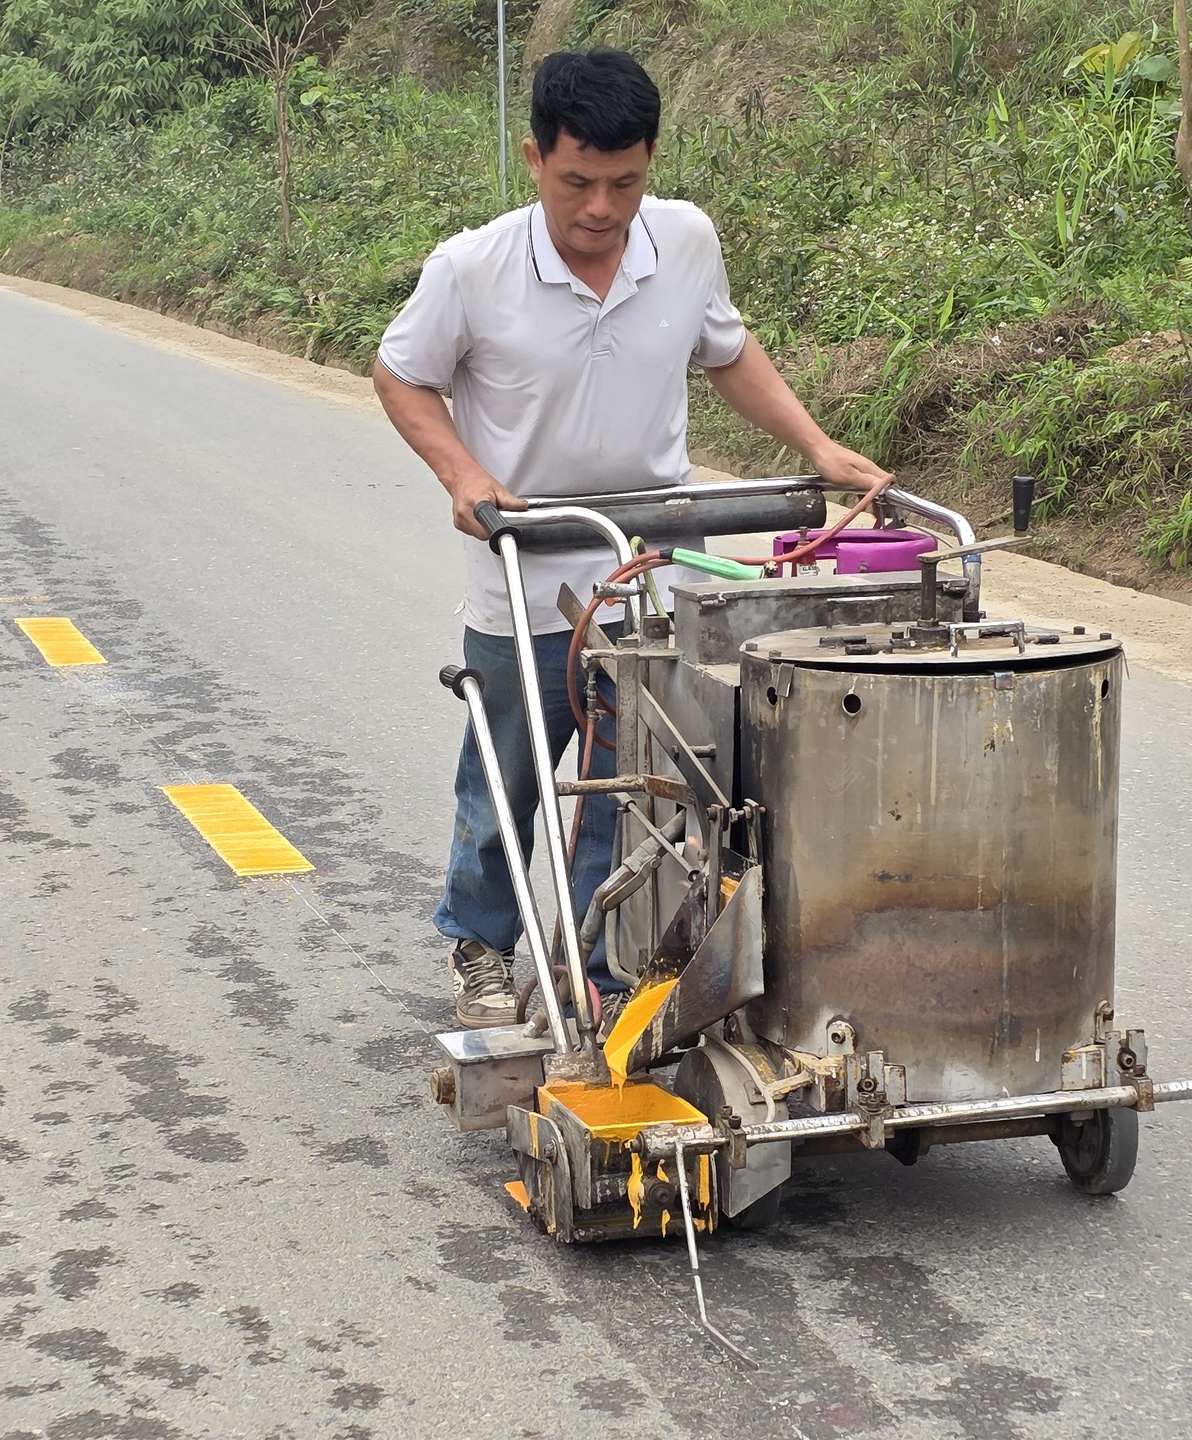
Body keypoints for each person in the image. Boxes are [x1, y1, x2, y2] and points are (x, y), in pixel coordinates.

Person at [375, 49, 889, 1030]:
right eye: (576, 181)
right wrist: (464, 475)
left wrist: (815, 444)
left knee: (635, 789)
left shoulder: (685, 241)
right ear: (534, 160)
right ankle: (482, 942)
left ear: (650, 161)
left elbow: (728, 352)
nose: (602, 207)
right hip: (523, 569)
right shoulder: (473, 269)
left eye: (625, 182)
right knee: (508, 781)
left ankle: (593, 967)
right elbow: (400, 375)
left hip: (645, 567)